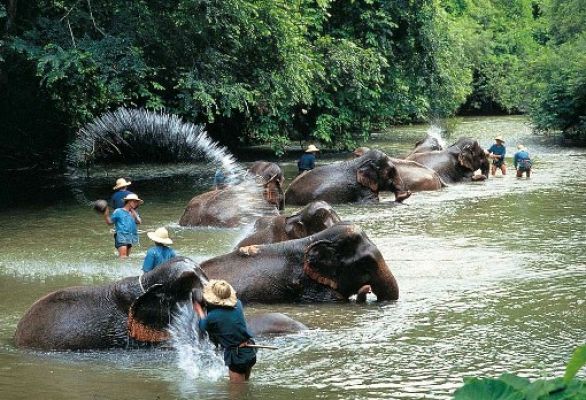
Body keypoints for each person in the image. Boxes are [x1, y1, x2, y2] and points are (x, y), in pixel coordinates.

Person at [194, 280, 256, 383]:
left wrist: (199, 310)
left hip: (236, 356)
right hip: (250, 350)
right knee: (246, 385)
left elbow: (202, 326)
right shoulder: (238, 304)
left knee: (235, 394)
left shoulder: (212, 316)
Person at [103, 193, 143, 258]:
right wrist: (106, 215)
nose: (137, 204)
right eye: (135, 202)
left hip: (130, 237)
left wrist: (134, 213)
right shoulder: (118, 211)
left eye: (137, 202)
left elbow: (139, 221)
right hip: (121, 236)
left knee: (126, 257)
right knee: (123, 256)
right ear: (130, 201)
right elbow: (110, 222)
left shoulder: (134, 213)